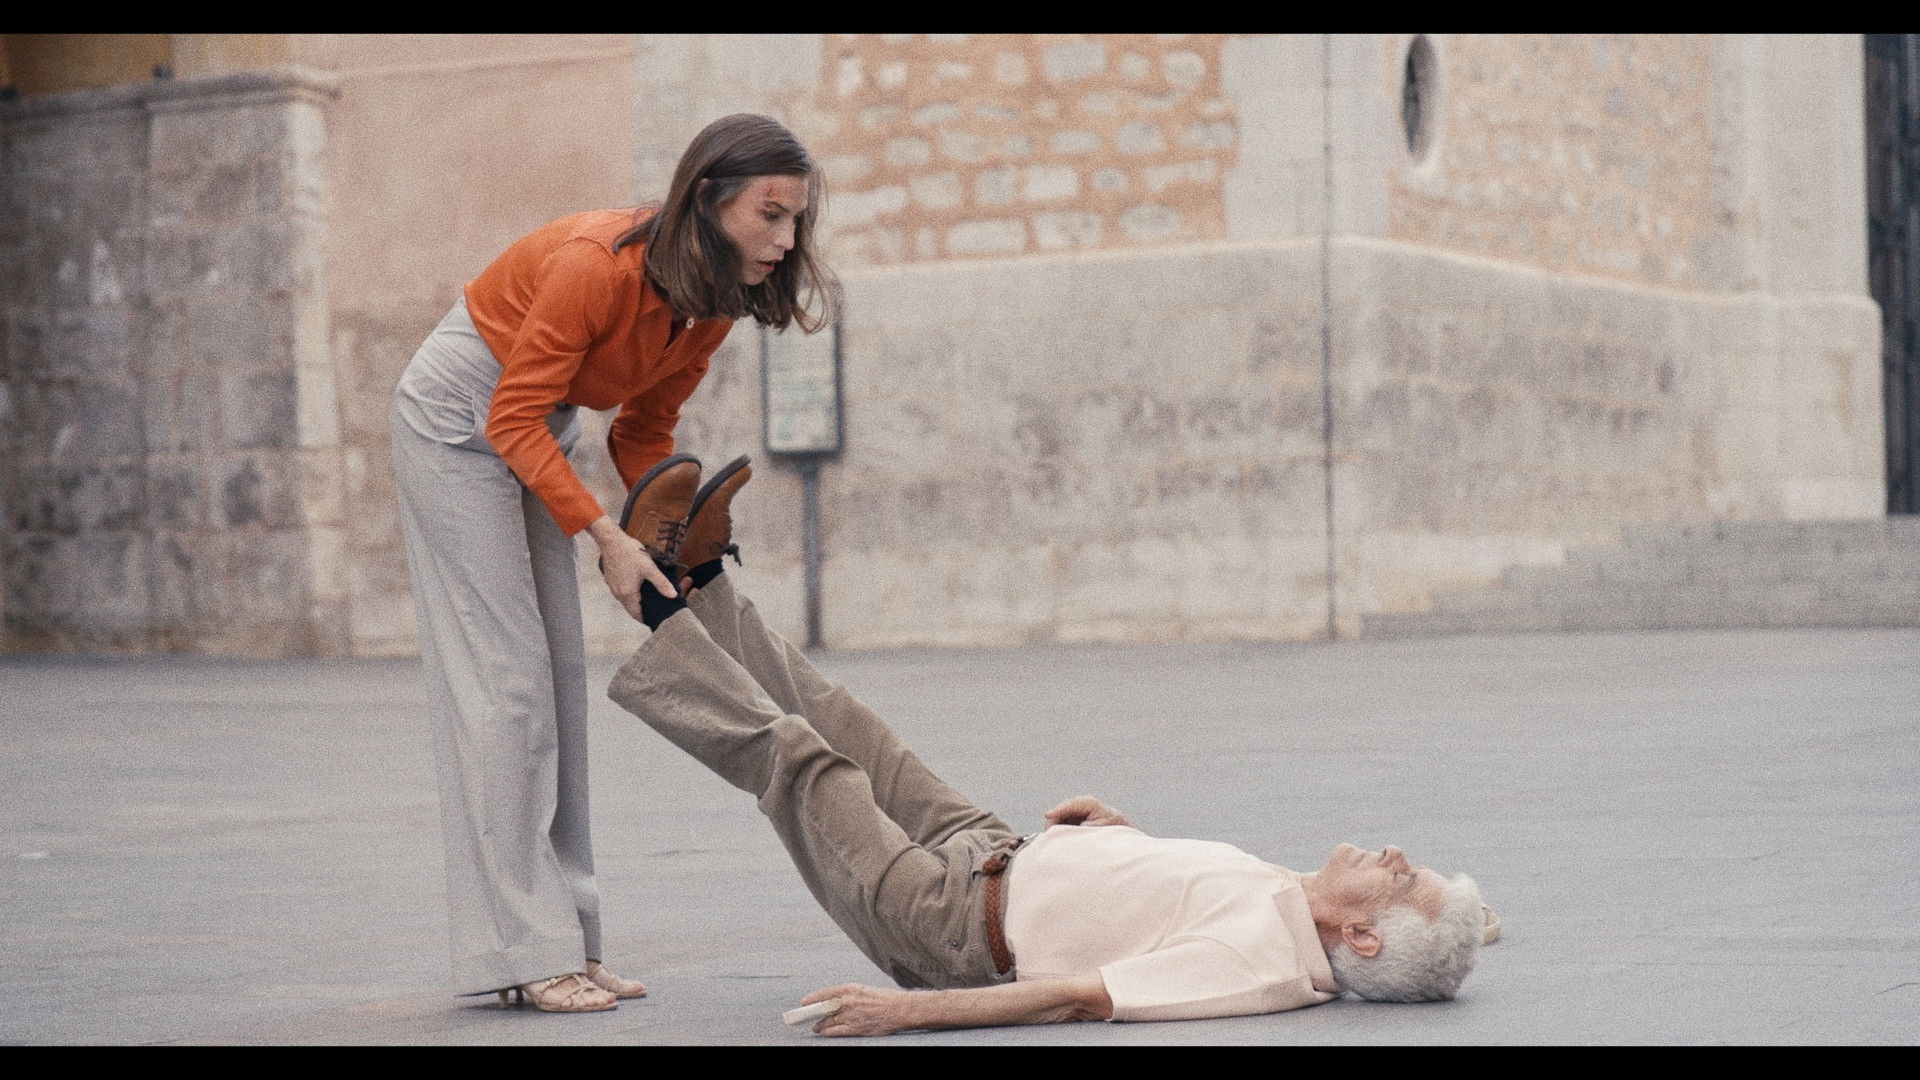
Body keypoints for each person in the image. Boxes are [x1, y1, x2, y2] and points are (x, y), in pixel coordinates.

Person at [603, 466, 1493, 1036]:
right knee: (847, 722)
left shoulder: (1262, 967)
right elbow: (1169, 901)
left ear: (1362, 939)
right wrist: (1120, 835)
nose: (1396, 856)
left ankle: (656, 610)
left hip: (947, 923)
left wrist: (911, 1012)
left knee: (803, 762)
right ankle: (703, 582)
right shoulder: (1296, 899)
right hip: (996, 849)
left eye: (1404, 880)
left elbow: (1077, 995)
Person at [389, 114, 837, 1012]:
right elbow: (508, 414)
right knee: (507, 684)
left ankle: (570, 941)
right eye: (771, 215)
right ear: (707, 200)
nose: (787, 241)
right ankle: (523, 950)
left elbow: (642, 432)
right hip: (455, 419)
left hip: (533, 424)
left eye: (797, 220)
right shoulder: (594, 266)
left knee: (558, 681)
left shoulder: (709, 306)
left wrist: (667, 530)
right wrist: (607, 537)